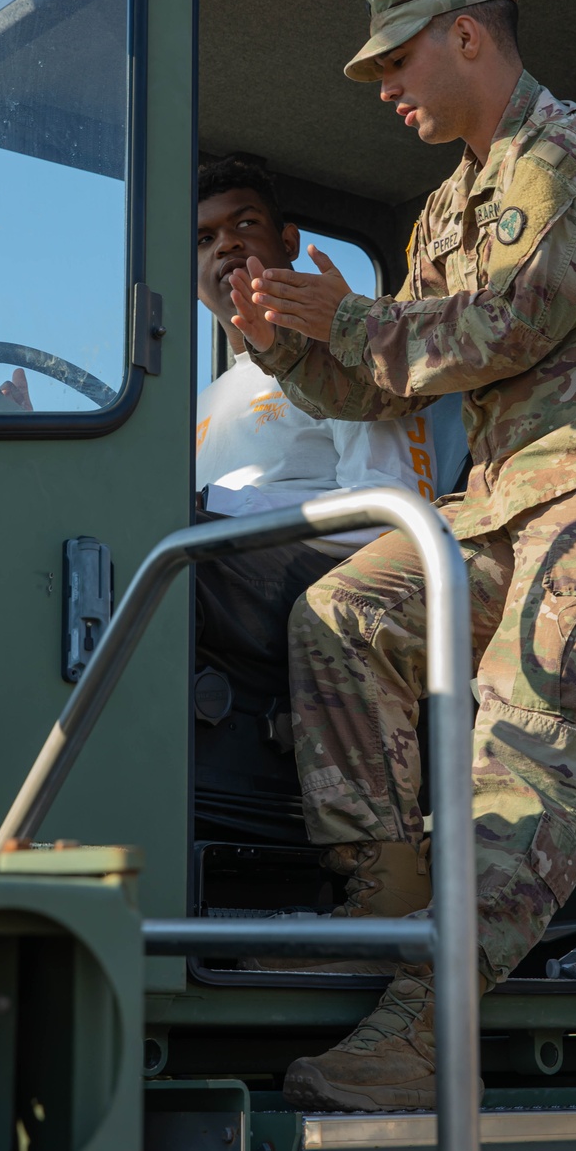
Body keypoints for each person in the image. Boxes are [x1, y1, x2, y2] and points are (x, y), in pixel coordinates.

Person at [229, 0, 576, 1110]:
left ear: (469, 33)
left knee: (528, 732)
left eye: (395, 64)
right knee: (343, 611)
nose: (388, 90)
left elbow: (502, 328)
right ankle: (390, 898)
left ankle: (421, 1031)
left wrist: (345, 315)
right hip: (503, 502)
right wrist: (283, 335)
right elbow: (390, 378)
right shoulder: (448, 206)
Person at [193, 156, 437, 842]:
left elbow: (395, 519)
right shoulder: (208, 401)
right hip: (218, 567)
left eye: (245, 226)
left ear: (291, 241)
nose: (227, 246)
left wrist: (218, 514)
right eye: (206, 240)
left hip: (308, 584)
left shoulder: (351, 355)